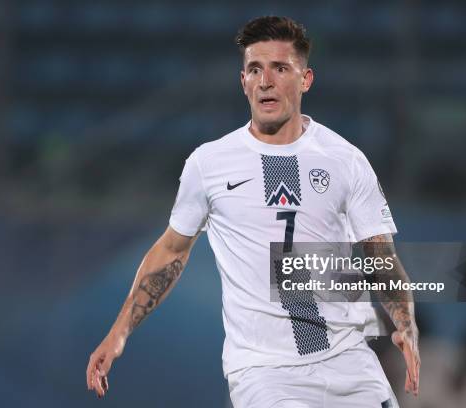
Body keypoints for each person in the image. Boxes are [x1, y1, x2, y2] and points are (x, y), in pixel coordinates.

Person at [86, 16, 420, 407]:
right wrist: (120, 331)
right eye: (255, 69)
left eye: (280, 68)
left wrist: (405, 322)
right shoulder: (209, 164)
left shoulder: (345, 160)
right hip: (265, 372)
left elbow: (380, 255)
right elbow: (172, 249)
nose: (266, 81)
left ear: (306, 79)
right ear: (243, 80)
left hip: (348, 361)